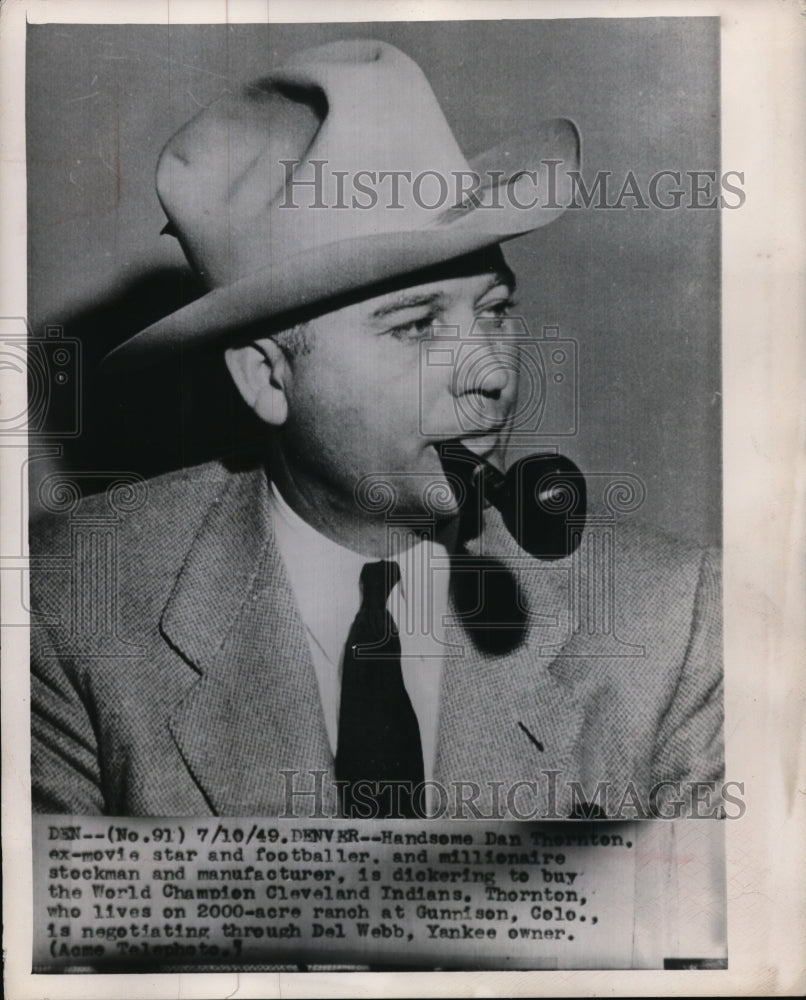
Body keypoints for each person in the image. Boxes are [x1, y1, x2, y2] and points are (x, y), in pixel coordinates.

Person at [30, 38, 723, 819]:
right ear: (265, 375)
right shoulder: (64, 607)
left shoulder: (671, 621)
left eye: (495, 311)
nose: (490, 373)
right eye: (416, 326)